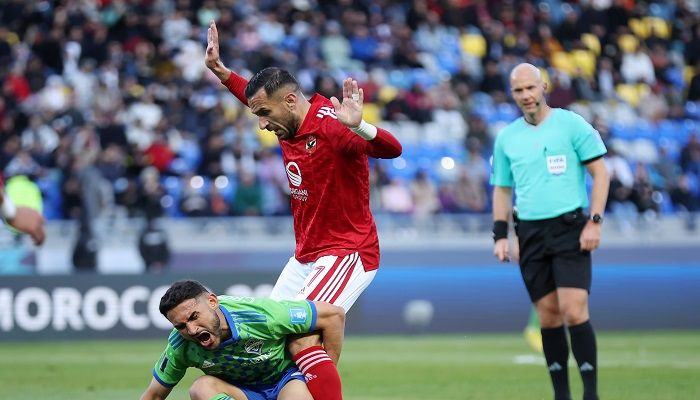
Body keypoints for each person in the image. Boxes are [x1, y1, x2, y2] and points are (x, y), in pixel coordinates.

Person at [205, 20, 402, 400]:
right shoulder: (287, 121)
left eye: (265, 113)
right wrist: (221, 71)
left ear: (291, 101)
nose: (262, 124)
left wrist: (361, 126)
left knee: (301, 336)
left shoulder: (333, 127)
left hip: (346, 251)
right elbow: (255, 96)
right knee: (269, 337)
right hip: (306, 255)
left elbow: (393, 149)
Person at [491, 63, 609, 400]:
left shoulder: (571, 124)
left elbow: (601, 174)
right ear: (512, 94)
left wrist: (594, 221)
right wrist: (500, 235)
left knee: (574, 310)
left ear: (543, 86)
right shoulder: (506, 138)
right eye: (519, 90)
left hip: (570, 227)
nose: (526, 95)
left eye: (531, 87)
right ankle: (561, 396)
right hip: (530, 232)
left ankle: (590, 394)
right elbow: (502, 189)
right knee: (548, 316)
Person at [140, 279, 345, 400]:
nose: (191, 330)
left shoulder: (262, 315)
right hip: (241, 392)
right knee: (200, 388)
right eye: (181, 326)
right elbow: (154, 395)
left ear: (212, 301)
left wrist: (322, 373)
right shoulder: (180, 345)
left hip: (285, 381)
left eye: (194, 317)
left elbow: (333, 315)